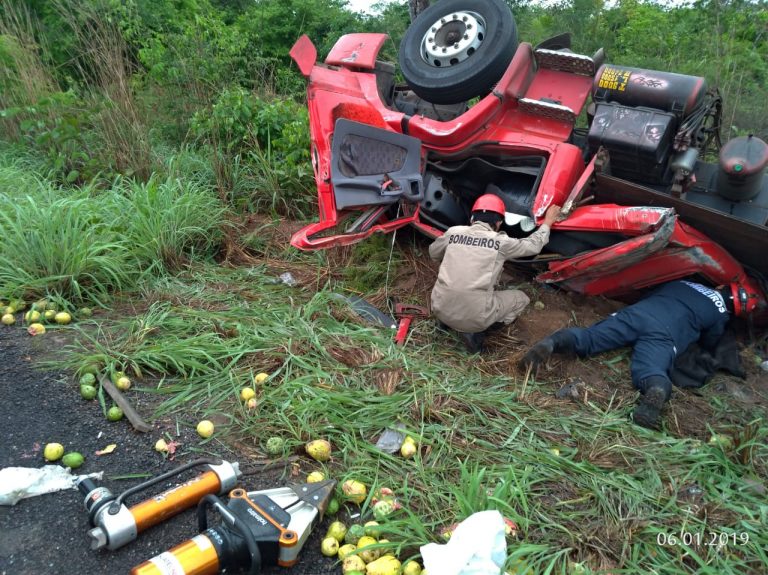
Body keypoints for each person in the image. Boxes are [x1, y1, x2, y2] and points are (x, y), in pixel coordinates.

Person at [520, 280, 737, 428]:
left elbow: (652, 294)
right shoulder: (720, 312)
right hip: (664, 333)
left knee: (590, 338)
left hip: (638, 313)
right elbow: (710, 341)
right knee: (651, 369)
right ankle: (657, 389)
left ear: (721, 286)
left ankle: (554, 342)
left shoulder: (684, 282)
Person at [429, 193, 562, 353]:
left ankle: (445, 322)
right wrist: (547, 222)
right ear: (498, 223)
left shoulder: (453, 233)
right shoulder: (501, 242)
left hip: (439, 307)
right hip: (474, 318)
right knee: (521, 299)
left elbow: (433, 253)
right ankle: (476, 332)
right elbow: (533, 245)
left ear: (472, 218)